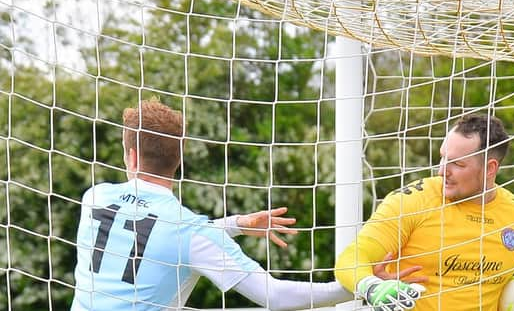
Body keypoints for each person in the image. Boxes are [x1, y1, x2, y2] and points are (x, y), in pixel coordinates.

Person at [71, 98, 359, 311]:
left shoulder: (95, 197)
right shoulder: (190, 234)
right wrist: (360, 285)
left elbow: (147, 229)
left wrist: (235, 225)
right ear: (179, 160)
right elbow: (275, 295)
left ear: (131, 156)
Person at [335, 114, 514, 311]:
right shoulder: (411, 202)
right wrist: (372, 286)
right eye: (442, 158)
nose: (441, 171)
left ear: (489, 168)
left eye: (457, 164)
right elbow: (351, 259)